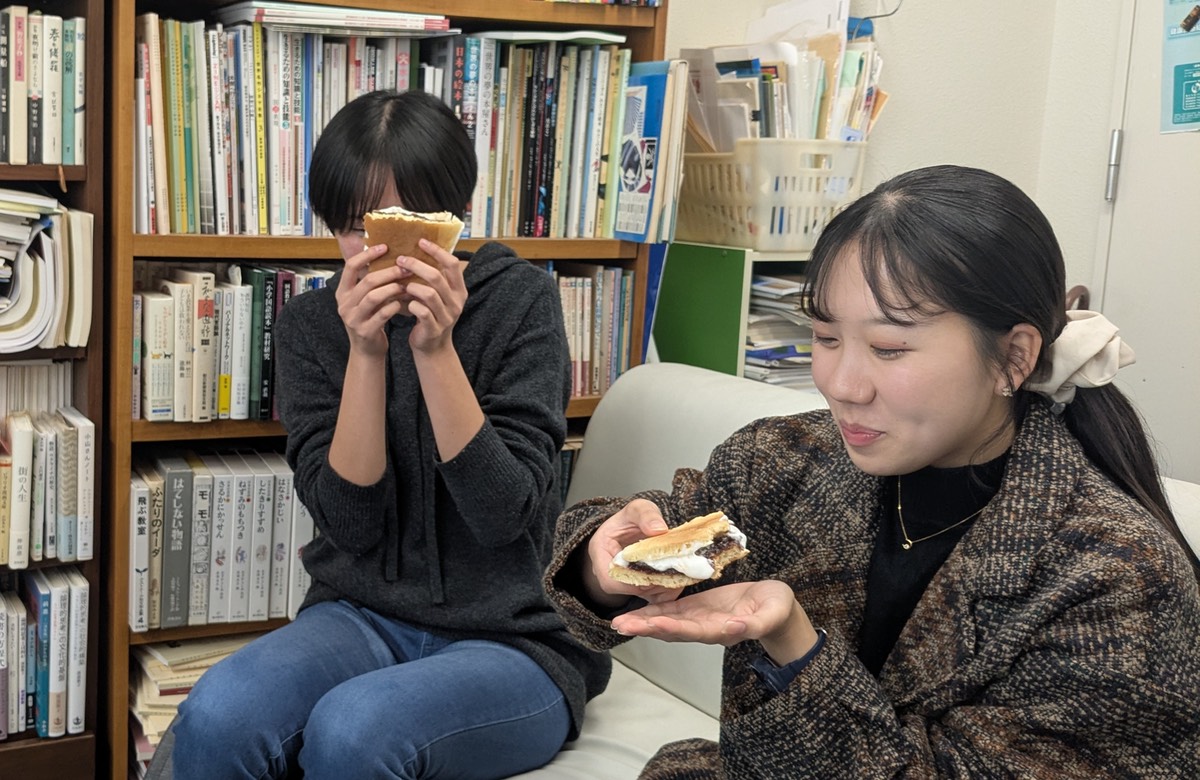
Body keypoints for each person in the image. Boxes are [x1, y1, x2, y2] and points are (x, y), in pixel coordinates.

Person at [545, 165, 1200, 778]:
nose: (842, 385)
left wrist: (797, 650)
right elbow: (656, 545)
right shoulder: (782, 461)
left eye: (888, 348)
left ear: (1014, 357)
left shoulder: (1115, 577)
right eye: (826, 338)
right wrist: (613, 567)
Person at [171, 89, 610, 780]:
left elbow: (504, 515)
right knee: (217, 713)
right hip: (357, 614)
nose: (385, 252)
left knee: (357, 731)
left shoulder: (521, 301)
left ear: (453, 216)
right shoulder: (310, 326)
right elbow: (349, 524)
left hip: (516, 639)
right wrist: (366, 353)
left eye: (412, 224)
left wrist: (435, 349)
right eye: (357, 227)